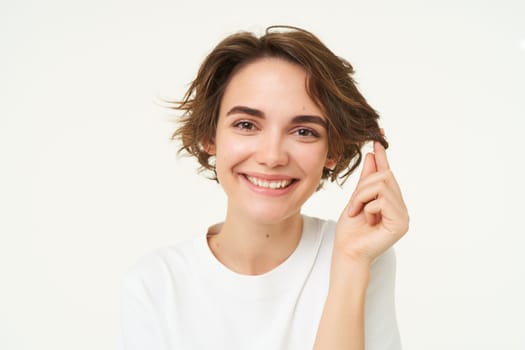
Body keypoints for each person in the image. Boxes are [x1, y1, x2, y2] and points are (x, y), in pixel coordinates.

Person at [121, 25, 409, 350]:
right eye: (246, 125)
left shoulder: (360, 253)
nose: (272, 157)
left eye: (303, 131)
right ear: (209, 136)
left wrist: (351, 264)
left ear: (333, 151)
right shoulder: (156, 283)